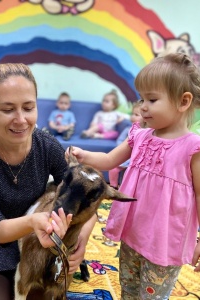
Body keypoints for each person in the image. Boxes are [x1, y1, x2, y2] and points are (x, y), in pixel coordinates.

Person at [0, 63, 97, 300]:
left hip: (35, 241)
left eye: (28, 108)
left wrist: (80, 242)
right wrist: (33, 222)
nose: (21, 119)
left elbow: (84, 198)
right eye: (8, 109)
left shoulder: (46, 145)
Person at [66, 53, 200, 299]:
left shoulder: (193, 148)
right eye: (141, 98)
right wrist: (82, 154)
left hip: (165, 241)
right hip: (133, 234)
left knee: (152, 295)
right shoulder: (139, 136)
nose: (142, 107)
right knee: (128, 289)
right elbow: (109, 160)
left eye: (152, 99)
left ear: (183, 102)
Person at [108, 102, 145, 189]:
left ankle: (126, 188)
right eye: (132, 114)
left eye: (136, 114)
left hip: (137, 159)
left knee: (129, 174)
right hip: (126, 155)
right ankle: (113, 186)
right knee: (113, 169)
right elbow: (120, 140)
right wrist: (124, 147)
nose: (132, 116)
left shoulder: (147, 131)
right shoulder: (129, 129)